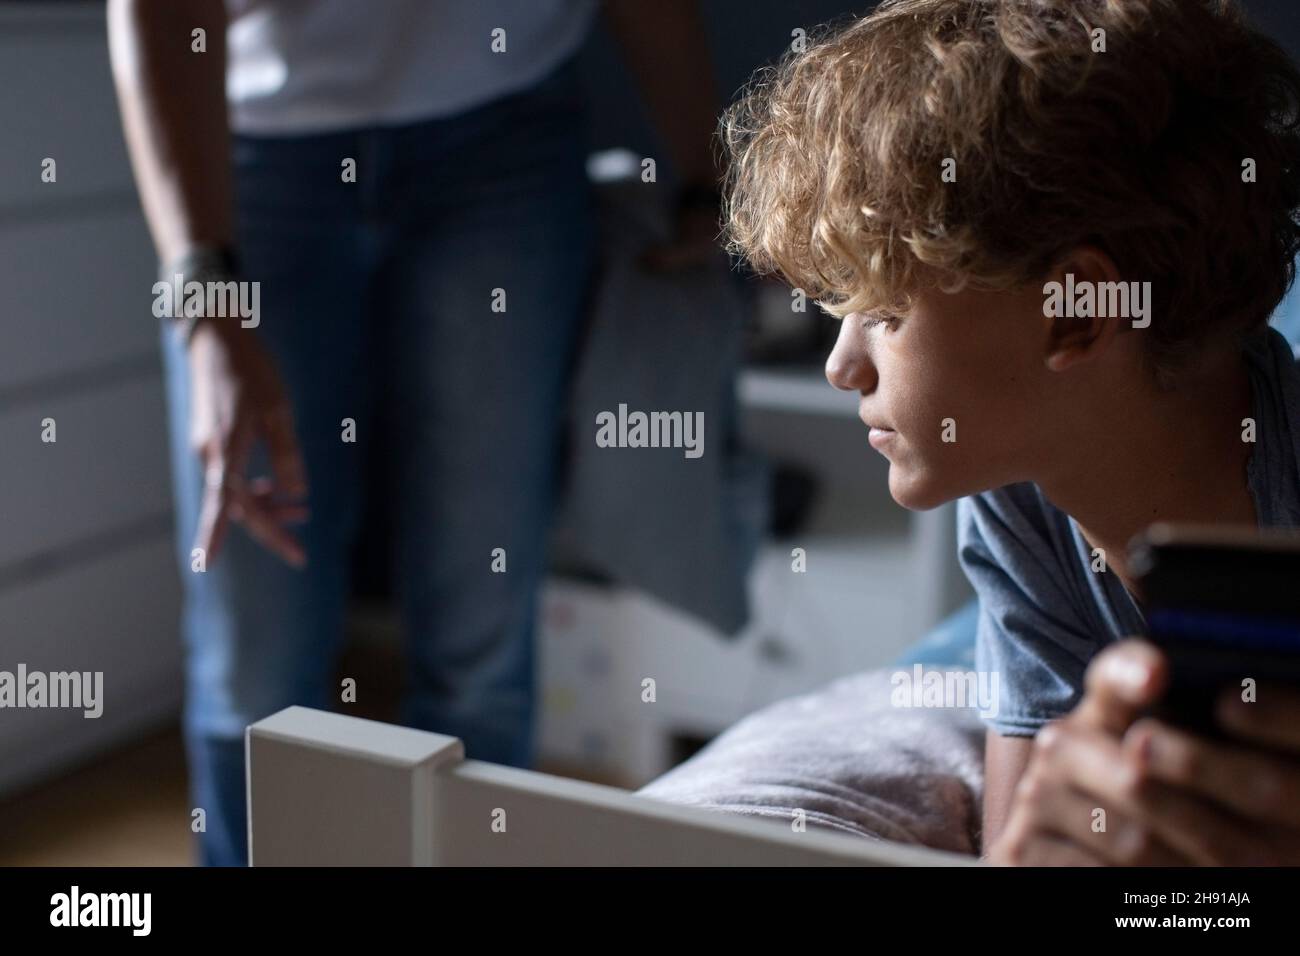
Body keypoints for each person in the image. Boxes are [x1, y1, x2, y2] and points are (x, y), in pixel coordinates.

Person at [108, 0, 721, 866]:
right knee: (253, 647)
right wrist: (206, 306)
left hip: (503, 141)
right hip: (248, 160)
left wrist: (704, 166)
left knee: (481, 630)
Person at [721, 0, 1300, 864]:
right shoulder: (1019, 496)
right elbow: (1019, 846)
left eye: (881, 312)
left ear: (1074, 316)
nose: (842, 367)